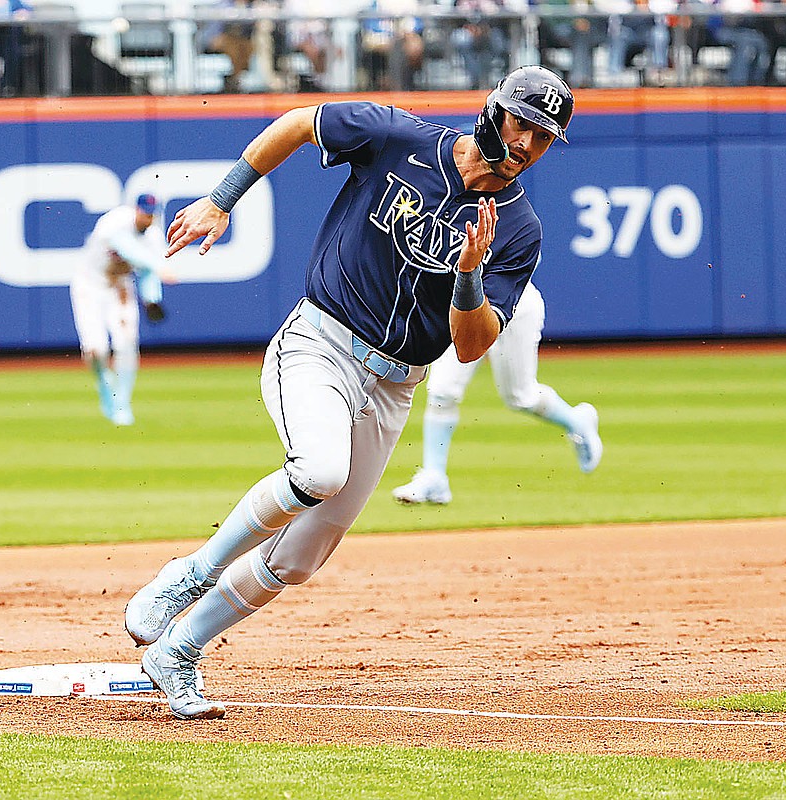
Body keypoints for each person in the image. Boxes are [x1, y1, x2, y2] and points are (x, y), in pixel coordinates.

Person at [123, 65, 575, 720]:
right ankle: (188, 576)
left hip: (396, 383)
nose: (530, 144)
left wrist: (469, 276)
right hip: (322, 341)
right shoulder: (398, 137)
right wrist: (222, 199)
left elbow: (472, 345)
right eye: (524, 123)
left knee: (299, 556)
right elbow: (298, 124)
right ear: (494, 110)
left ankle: (178, 651)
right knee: (319, 470)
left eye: (546, 136)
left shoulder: (519, 228)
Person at [391, 281, 601, 505]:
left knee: (521, 397)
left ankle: (576, 420)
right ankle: (435, 477)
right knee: (442, 392)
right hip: (462, 305)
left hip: (514, 304)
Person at [70, 193, 172, 427]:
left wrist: (151, 299)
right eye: (144, 213)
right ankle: (104, 384)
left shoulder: (153, 237)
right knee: (96, 349)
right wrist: (158, 265)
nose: (147, 218)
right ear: (135, 209)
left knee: (126, 344)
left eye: (152, 215)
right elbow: (125, 246)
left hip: (120, 288)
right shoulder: (114, 221)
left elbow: (146, 273)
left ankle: (122, 404)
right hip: (89, 285)